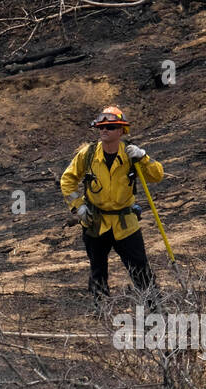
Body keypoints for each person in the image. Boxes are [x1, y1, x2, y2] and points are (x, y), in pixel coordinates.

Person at [60, 106, 165, 309]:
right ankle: (101, 308)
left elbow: (157, 175)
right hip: (95, 221)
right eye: (101, 127)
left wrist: (143, 157)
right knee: (97, 269)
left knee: (140, 268)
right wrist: (78, 207)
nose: (104, 130)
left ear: (121, 131)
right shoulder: (88, 154)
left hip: (125, 223)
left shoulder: (131, 155)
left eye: (111, 127)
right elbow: (67, 180)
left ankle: (154, 309)